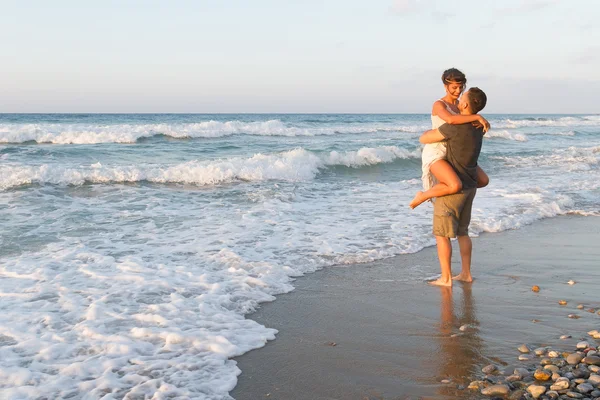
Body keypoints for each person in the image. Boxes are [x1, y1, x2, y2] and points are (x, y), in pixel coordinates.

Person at [418, 87, 488, 287]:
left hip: (453, 190)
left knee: (442, 235)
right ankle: (466, 274)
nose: (459, 98)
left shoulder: (455, 127)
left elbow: (425, 138)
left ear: (465, 104)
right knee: (463, 233)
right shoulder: (477, 126)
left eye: (462, 96)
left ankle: (446, 278)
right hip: (470, 186)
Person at [409, 68, 489, 209]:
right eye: (454, 87)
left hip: (455, 154)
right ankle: (423, 195)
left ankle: (450, 192)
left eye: (461, 87)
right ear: (445, 86)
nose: (458, 91)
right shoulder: (439, 105)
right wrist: (477, 117)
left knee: (483, 180)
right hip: (437, 152)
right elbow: (450, 120)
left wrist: (479, 123)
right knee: (455, 185)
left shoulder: (461, 106)